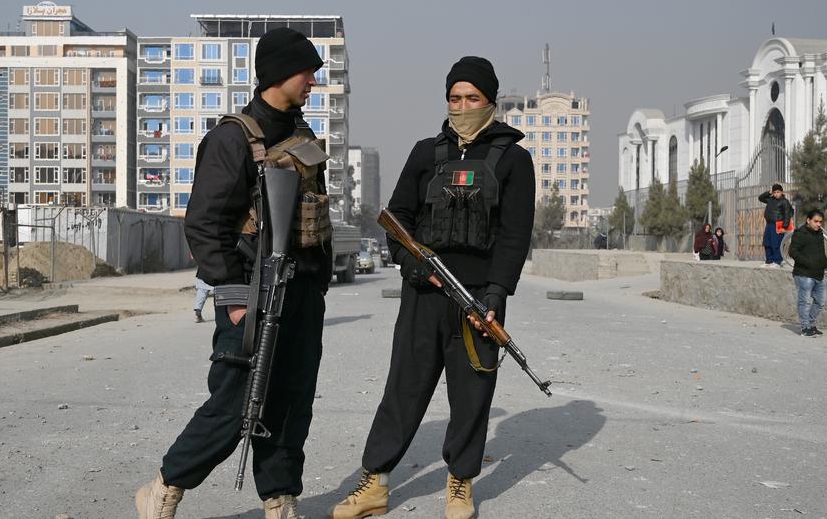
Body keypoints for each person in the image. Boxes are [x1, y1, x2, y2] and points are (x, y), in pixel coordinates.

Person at [135, 27, 332, 519]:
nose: (313, 81)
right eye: (307, 71)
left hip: (302, 291)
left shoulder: (304, 136)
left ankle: (280, 498)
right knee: (234, 404)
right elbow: (205, 224)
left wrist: (319, 285)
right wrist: (235, 297)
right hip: (254, 291)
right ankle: (164, 486)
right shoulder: (232, 137)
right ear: (282, 72)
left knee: (291, 404)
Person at [331, 56, 535, 519]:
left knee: (471, 394)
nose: (462, 106)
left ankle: (460, 483)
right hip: (424, 295)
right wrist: (412, 266)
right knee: (403, 388)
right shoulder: (427, 152)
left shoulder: (515, 160)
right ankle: (374, 484)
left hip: (477, 298)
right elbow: (397, 218)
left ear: (490, 101)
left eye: (472, 98)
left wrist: (497, 294)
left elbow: (514, 236)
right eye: (454, 98)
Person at [788, 210, 827, 336]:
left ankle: (811, 324)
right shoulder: (800, 234)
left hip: (818, 273)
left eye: (820, 222)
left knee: (821, 300)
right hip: (804, 273)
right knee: (804, 301)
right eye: (815, 221)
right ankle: (805, 328)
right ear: (808, 220)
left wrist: (824, 263)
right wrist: (808, 262)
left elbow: (821, 251)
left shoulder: (819, 234)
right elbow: (792, 252)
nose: (818, 224)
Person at [758, 183, 794, 267]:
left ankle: (777, 261)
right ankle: (769, 261)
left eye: (778, 192)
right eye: (774, 192)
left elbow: (787, 214)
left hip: (778, 225)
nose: (776, 194)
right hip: (769, 224)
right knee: (767, 242)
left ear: (782, 192)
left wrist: (784, 227)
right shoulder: (770, 199)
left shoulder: (784, 201)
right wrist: (769, 192)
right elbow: (760, 198)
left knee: (776, 243)